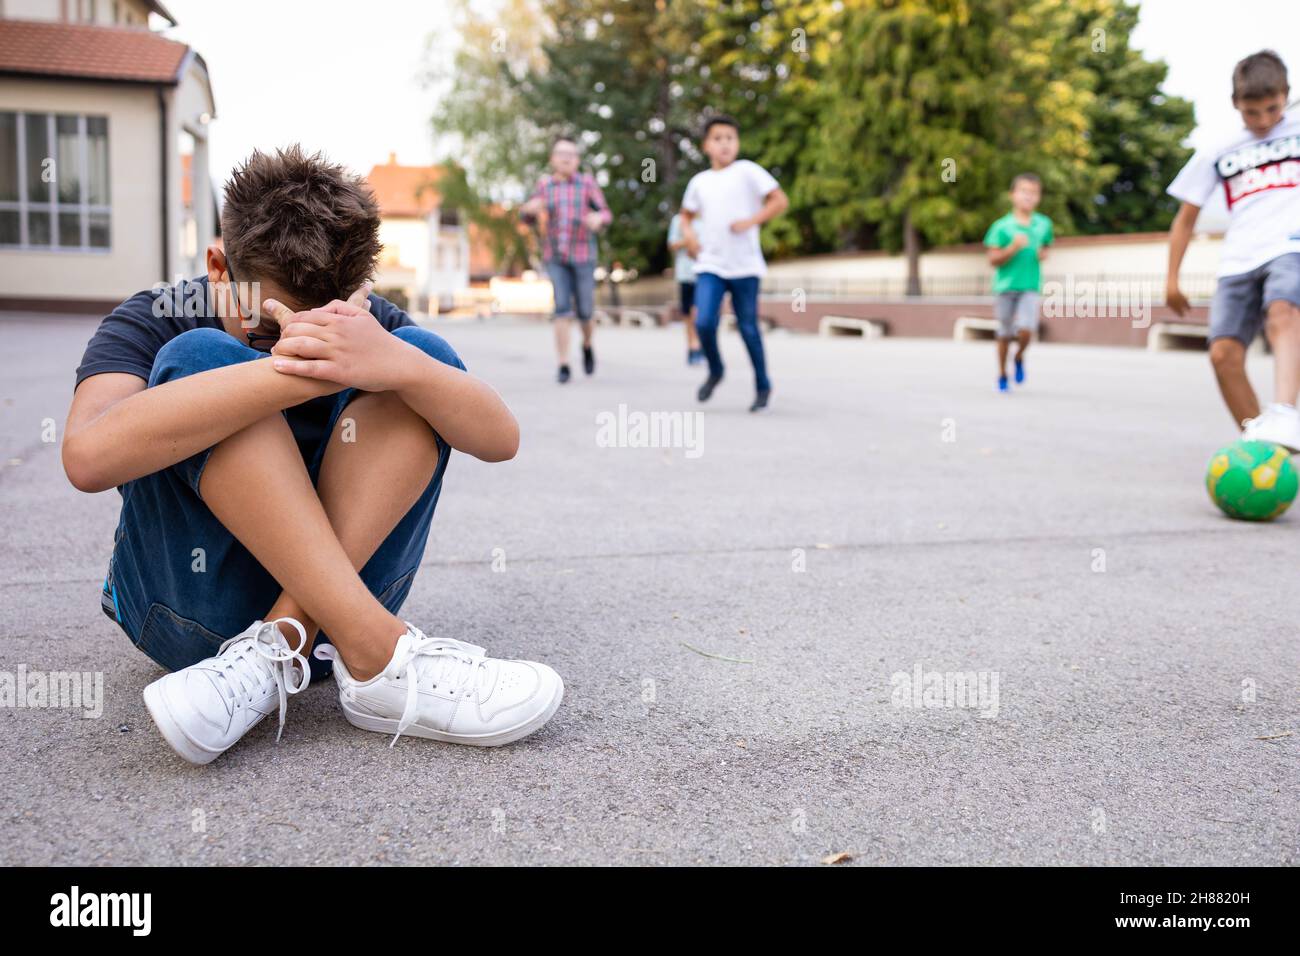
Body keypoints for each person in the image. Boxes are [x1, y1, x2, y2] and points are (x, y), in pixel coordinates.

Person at [63, 146, 563, 765]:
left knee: (420, 357)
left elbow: (500, 439)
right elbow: (86, 458)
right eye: (273, 332)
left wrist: (395, 363)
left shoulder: (371, 324)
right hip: (189, 616)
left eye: (326, 328)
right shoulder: (158, 317)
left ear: (358, 292)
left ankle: (283, 642)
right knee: (202, 361)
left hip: (331, 638)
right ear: (220, 268)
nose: (302, 347)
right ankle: (380, 651)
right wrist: (294, 374)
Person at [1166, 50, 1300, 452]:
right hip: (1239, 258)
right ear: (1235, 106)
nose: (1261, 121)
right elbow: (1185, 218)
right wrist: (1172, 279)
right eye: (1251, 113)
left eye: (1271, 109)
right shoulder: (1218, 149)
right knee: (1223, 354)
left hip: (1290, 246)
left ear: (1286, 94)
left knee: (1283, 311)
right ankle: (1261, 444)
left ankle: (1284, 413)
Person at [679, 116, 788, 412]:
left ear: (737, 143)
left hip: (745, 266)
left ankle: (763, 385)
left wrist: (751, 221)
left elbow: (779, 200)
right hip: (710, 264)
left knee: (748, 327)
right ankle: (715, 369)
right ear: (706, 145)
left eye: (730, 137)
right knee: (703, 322)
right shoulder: (699, 182)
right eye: (718, 138)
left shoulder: (748, 172)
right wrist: (689, 237)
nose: (725, 143)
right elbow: (685, 217)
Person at [519, 136, 612, 383]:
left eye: (571, 154)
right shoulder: (544, 186)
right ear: (553, 159)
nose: (566, 158)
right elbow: (526, 215)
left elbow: (606, 212)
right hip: (555, 256)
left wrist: (598, 219)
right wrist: (528, 210)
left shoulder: (587, 184)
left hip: (583, 255)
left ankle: (588, 344)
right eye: (561, 153)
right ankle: (563, 364)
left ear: (577, 160)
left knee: (585, 310)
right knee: (561, 307)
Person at [983, 173, 1053, 392]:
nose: (1028, 197)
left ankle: (1020, 356)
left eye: (1033, 193)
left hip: (1030, 286)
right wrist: (1012, 248)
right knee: (1004, 333)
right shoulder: (1001, 226)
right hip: (1005, 287)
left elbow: (1046, 247)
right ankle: (1002, 373)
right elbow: (992, 260)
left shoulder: (1043, 224)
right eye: (1024, 192)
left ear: (1039, 197)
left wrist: (1043, 253)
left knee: (1026, 329)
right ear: (1013, 195)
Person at [667, 211, 704, 364]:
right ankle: (692, 346)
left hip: (704, 271)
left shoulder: (708, 217)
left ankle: (700, 344)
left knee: (700, 311)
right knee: (688, 313)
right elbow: (672, 244)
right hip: (685, 273)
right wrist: (689, 241)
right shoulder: (679, 220)